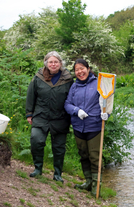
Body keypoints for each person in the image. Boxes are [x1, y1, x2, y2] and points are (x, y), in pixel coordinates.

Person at [26, 51, 73, 183]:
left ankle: (57, 174)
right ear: (46, 63)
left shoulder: (68, 79)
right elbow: (31, 95)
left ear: (60, 63)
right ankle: (38, 168)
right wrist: (29, 114)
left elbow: (73, 97)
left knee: (59, 147)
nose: (53, 64)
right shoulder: (38, 77)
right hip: (41, 116)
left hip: (60, 118)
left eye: (56, 62)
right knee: (36, 140)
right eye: (51, 62)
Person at [64, 58, 108, 196]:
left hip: (94, 126)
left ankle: (96, 186)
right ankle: (88, 182)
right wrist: (77, 111)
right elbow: (67, 104)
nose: (80, 72)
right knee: (83, 155)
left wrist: (107, 113)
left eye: (82, 68)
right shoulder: (74, 86)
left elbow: (107, 99)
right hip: (78, 126)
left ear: (88, 69)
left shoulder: (98, 83)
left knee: (94, 156)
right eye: (77, 70)